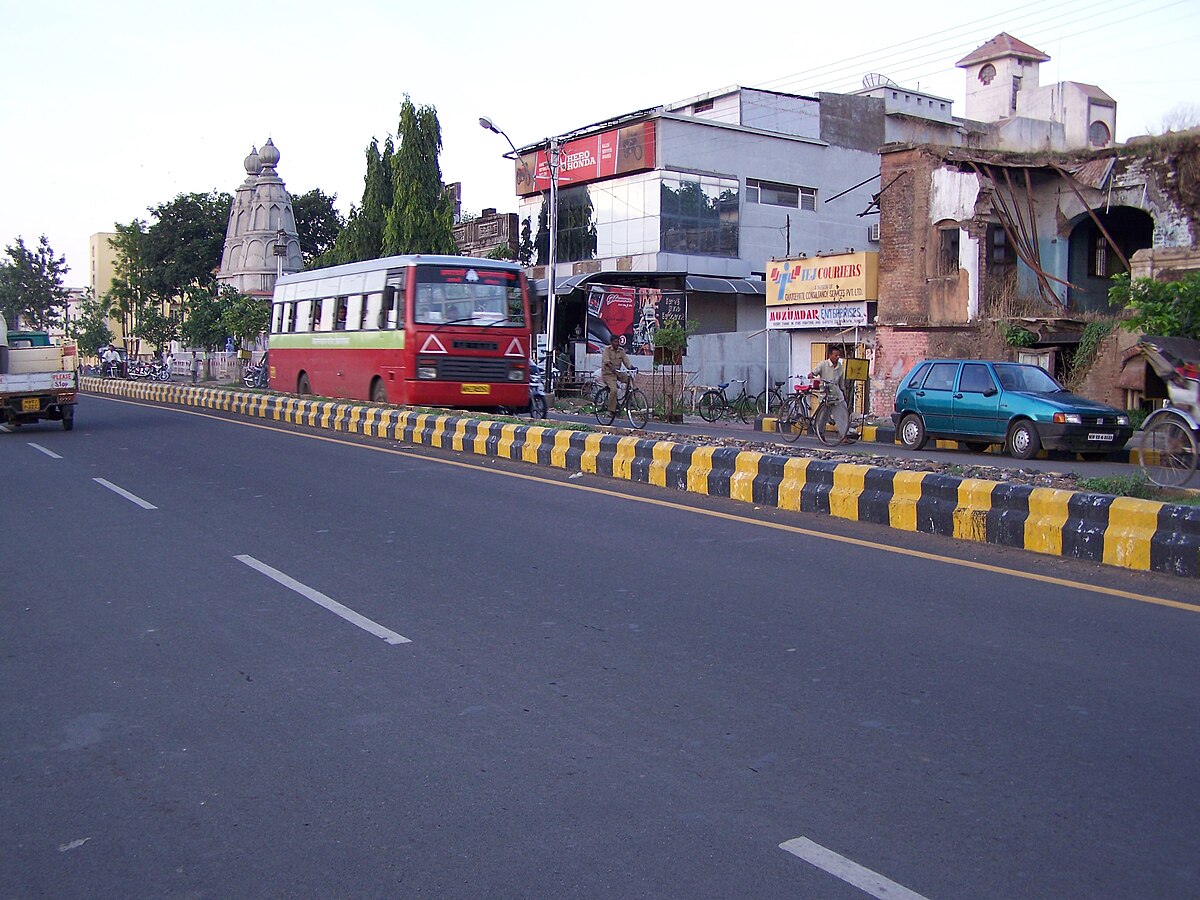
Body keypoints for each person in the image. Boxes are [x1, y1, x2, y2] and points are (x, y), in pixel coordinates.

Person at [601, 334, 633, 414]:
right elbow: (606, 362)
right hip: (608, 374)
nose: (617, 343)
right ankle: (610, 410)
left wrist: (632, 367)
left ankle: (628, 401)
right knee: (614, 390)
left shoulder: (621, 351)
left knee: (630, 380)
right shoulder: (607, 350)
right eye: (615, 342)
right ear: (611, 342)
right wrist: (612, 369)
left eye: (618, 341)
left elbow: (626, 362)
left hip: (617, 373)